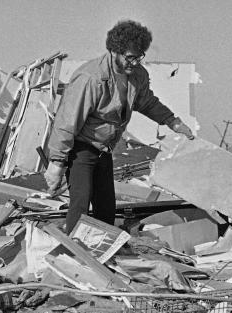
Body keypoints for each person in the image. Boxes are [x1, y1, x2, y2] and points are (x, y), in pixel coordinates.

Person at [43, 20, 194, 233]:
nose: (134, 62)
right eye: (130, 57)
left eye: (139, 56)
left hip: (104, 149)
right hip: (81, 147)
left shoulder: (138, 75)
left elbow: (147, 102)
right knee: (80, 204)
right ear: (114, 51)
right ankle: (73, 253)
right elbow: (67, 121)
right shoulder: (90, 77)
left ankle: (104, 253)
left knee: (106, 209)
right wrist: (57, 163)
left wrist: (173, 121)